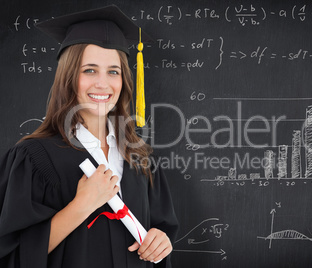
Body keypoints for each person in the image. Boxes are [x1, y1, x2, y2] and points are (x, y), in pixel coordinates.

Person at [0, 5, 179, 268]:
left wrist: (161, 240)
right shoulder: (33, 158)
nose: (103, 84)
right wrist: (81, 205)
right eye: (89, 70)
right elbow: (12, 254)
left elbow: (161, 228)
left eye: (113, 71)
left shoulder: (141, 158)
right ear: (69, 77)